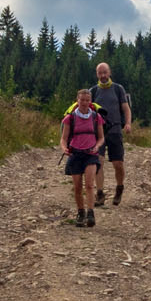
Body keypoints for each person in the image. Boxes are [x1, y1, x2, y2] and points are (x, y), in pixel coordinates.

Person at [89, 60, 134, 206]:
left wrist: (127, 123)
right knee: (98, 162)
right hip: (98, 133)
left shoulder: (118, 89)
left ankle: (119, 187)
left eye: (105, 72)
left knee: (118, 164)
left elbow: (126, 109)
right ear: (97, 74)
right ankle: (100, 194)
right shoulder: (93, 91)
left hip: (115, 130)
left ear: (109, 73)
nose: (102, 75)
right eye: (100, 73)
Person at [60, 88, 106, 227]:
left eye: (87, 100)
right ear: (77, 100)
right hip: (75, 154)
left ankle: (90, 213)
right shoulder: (70, 118)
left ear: (90, 101)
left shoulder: (96, 117)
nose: (85, 103)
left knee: (90, 184)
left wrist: (97, 146)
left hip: (91, 154)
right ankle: (81, 213)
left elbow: (101, 137)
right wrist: (64, 149)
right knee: (78, 187)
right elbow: (63, 139)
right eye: (82, 100)